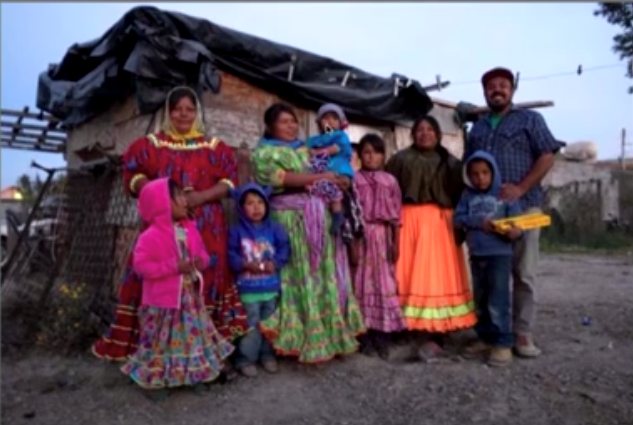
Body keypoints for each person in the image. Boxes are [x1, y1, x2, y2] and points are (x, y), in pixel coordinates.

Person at [92, 86, 249, 362]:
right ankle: (161, 353)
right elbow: (133, 176)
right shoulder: (150, 146)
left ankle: (203, 353)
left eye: (189, 109)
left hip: (207, 228)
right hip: (164, 228)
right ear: (168, 111)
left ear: (197, 112)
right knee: (164, 281)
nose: (183, 114)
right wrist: (161, 193)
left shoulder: (216, 148)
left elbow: (229, 182)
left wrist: (200, 196)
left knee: (204, 278)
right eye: (177, 109)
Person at [251, 102, 366, 364]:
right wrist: (321, 177)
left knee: (324, 273)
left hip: (320, 215)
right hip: (289, 218)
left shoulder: (307, 148)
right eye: (284, 122)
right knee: (298, 272)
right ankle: (297, 338)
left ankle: (331, 335)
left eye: (294, 121)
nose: (291, 126)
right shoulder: (263, 153)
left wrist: (341, 178)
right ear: (270, 126)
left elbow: (336, 163)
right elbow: (281, 179)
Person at [466, 67, 560, 358]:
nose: (497, 89)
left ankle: (521, 333)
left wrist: (520, 187)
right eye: (492, 86)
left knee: (524, 272)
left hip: (524, 207)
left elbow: (548, 154)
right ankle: (490, 334)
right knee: (487, 276)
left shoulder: (530, 119)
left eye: (503, 85)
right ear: (484, 92)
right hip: (487, 214)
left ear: (512, 90)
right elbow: (469, 166)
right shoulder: (478, 128)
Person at [121, 178, 234, 398]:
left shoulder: (190, 229)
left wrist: (201, 260)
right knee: (161, 343)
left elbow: (200, 252)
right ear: (162, 203)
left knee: (190, 340)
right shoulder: (149, 237)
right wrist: (173, 266)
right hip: (163, 304)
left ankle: (195, 375)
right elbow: (142, 266)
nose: (185, 200)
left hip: (189, 300)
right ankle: (155, 380)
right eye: (179, 196)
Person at [385, 115, 477, 361]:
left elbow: (463, 193)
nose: (425, 133)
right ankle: (405, 323)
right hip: (408, 223)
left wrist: (462, 223)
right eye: (420, 129)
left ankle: (439, 327)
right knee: (407, 273)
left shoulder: (451, 163)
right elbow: (386, 189)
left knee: (437, 276)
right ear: (413, 134)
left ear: (438, 134)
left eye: (430, 129)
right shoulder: (400, 160)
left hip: (441, 225)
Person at [453, 151, 523, 367]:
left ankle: (502, 344)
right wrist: (478, 222)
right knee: (481, 301)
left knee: (498, 301)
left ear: (493, 172)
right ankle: (485, 338)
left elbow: (518, 225)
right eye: (474, 174)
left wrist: (515, 232)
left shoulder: (505, 195)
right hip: (477, 256)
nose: (480, 178)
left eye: (485, 172)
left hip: (499, 256)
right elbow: (457, 218)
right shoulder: (467, 195)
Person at [352, 134, 407, 360]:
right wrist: (353, 244)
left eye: (376, 152)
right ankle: (364, 335)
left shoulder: (390, 181)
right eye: (366, 152)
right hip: (362, 237)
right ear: (359, 155)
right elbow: (351, 216)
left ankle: (383, 335)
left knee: (384, 285)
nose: (371, 156)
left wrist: (396, 244)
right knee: (361, 283)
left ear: (383, 155)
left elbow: (396, 217)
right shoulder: (354, 180)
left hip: (384, 238)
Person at [227, 183, 291, 377]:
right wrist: (245, 265)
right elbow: (230, 254)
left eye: (260, 202)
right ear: (240, 207)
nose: (256, 207)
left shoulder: (275, 228)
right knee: (251, 326)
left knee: (269, 324)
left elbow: (284, 248)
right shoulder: (236, 231)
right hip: (248, 290)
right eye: (250, 203)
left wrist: (276, 262)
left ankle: (268, 355)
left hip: (270, 288)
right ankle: (245, 359)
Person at [306, 103, 356, 236]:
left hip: (337, 168)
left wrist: (318, 152)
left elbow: (336, 148)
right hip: (321, 172)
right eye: (325, 118)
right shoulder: (314, 139)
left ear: (340, 123)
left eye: (334, 118)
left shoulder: (340, 136)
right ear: (318, 123)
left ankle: (338, 215)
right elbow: (306, 150)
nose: (330, 121)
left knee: (335, 191)